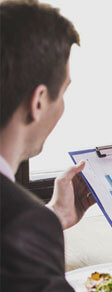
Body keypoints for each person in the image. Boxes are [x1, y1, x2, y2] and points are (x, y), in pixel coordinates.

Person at [0, 2, 95, 290]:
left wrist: (52, 215)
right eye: (63, 91)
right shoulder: (23, 222)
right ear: (38, 101)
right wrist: (35, 226)